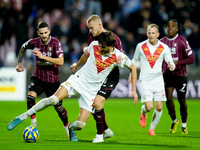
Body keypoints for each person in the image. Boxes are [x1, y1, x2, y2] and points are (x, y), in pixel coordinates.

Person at [8, 31, 138, 143]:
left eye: (102, 47)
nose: (99, 48)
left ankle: (70, 129)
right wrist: (76, 66)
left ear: (110, 46)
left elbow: (133, 67)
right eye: (99, 45)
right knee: (54, 99)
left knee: (80, 125)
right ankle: (23, 116)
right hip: (78, 81)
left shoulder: (119, 57)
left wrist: (133, 89)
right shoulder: (94, 45)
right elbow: (86, 55)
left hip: (91, 92)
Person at [70, 14, 124, 141]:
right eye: (89, 28)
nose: (90, 31)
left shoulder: (113, 38)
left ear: (100, 25)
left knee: (97, 103)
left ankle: (100, 134)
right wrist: (80, 61)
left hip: (110, 75)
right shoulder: (91, 37)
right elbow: (92, 54)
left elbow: (121, 56)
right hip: (96, 75)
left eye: (92, 28)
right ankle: (105, 130)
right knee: (94, 104)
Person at [15, 21, 69, 137]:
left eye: (46, 33)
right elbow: (23, 46)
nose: (44, 35)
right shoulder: (34, 42)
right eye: (41, 33)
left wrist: (43, 57)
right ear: (38, 33)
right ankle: (33, 123)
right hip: (38, 78)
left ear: (49, 31)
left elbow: (61, 61)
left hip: (53, 82)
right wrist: (19, 62)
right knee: (30, 96)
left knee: (59, 109)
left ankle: (67, 128)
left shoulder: (55, 43)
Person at [129, 24, 175, 135]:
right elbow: (134, 60)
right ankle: (143, 111)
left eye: (153, 33)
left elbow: (170, 61)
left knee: (159, 107)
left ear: (158, 34)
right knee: (149, 107)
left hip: (158, 80)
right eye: (149, 32)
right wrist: (131, 74)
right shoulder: (140, 46)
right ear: (147, 33)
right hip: (145, 80)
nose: (151, 35)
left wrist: (172, 66)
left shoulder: (164, 47)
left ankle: (151, 129)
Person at [160, 19, 195, 134]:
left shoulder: (182, 41)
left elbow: (191, 59)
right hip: (168, 75)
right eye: (168, 26)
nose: (170, 28)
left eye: (173, 26)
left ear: (177, 29)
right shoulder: (162, 42)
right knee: (168, 97)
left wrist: (176, 62)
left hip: (180, 75)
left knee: (181, 99)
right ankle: (175, 120)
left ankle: (184, 124)